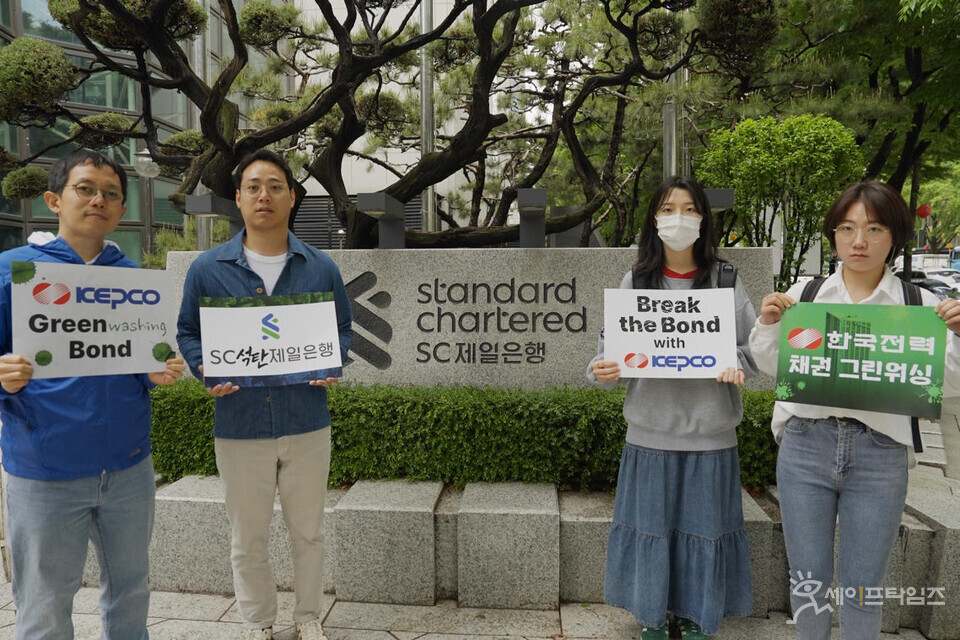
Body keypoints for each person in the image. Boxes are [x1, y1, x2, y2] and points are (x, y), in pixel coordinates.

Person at [749, 181, 960, 640]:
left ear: (895, 236)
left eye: (874, 228)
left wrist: (958, 338)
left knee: (864, 586)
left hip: (881, 455)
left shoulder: (920, 306)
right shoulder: (805, 295)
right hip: (806, 445)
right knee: (807, 581)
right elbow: (769, 364)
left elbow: (948, 384)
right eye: (847, 228)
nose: (859, 241)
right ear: (834, 235)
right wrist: (767, 325)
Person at [0, 150, 185, 639]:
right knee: (43, 605)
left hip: (128, 468)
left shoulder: (134, 280)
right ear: (53, 200)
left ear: (122, 210)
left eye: (111, 194)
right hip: (44, 471)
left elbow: (136, 365)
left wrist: (157, 372)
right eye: (85, 188)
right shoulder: (14, 271)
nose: (98, 200)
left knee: (131, 594)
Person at [177, 150, 353, 640]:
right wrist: (203, 366)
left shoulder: (321, 268)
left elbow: (341, 329)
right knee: (247, 537)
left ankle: (307, 618)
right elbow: (188, 332)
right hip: (240, 422)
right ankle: (257, 622)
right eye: (253, 186)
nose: (264, 196)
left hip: (306, 421)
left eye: (275, 186)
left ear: (292, 197)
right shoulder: (207, 268)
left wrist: (330, 360)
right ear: (238, 198)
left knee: (309, 532)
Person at [587, 176, 758, 640]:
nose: (677, 219)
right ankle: (652, 617)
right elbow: (608, 355)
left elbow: (753, 352)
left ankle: (695, 616)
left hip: (711, 435)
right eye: (667, 209)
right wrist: (602, 370)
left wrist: (735, 365)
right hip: (649, 434)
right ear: (653, 220)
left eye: (688, 209)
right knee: (651, 532)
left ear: (703, 218)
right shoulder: (636, 281)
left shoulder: (725, 280)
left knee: (705, 532)